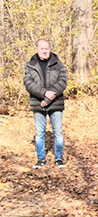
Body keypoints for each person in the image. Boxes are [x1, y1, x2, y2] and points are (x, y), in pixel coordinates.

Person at [23, 38, 68, 168]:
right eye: (42, 48)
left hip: (56, 103)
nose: (44, 51)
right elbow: (28, 84)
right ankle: (40, 159)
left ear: (49, 49)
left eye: (46, 48)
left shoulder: (58, 64)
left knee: (58, 132)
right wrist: (43, 93)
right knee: (39, 133)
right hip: (38, 103)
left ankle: (59, 158)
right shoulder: (30, 65)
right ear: (37, 49)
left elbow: (62, 82)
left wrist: (48, 99)